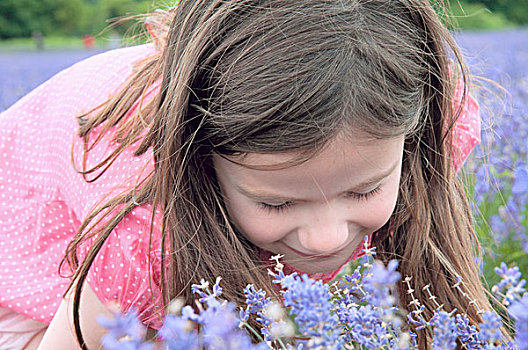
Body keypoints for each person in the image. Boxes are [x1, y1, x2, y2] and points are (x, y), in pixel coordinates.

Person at [0, 0, 490, 349]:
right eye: (277, 203)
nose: (325, 239)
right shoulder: (146, 235)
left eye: (365, 190)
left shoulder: (419, 112)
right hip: (21, 224)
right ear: (205, 166)